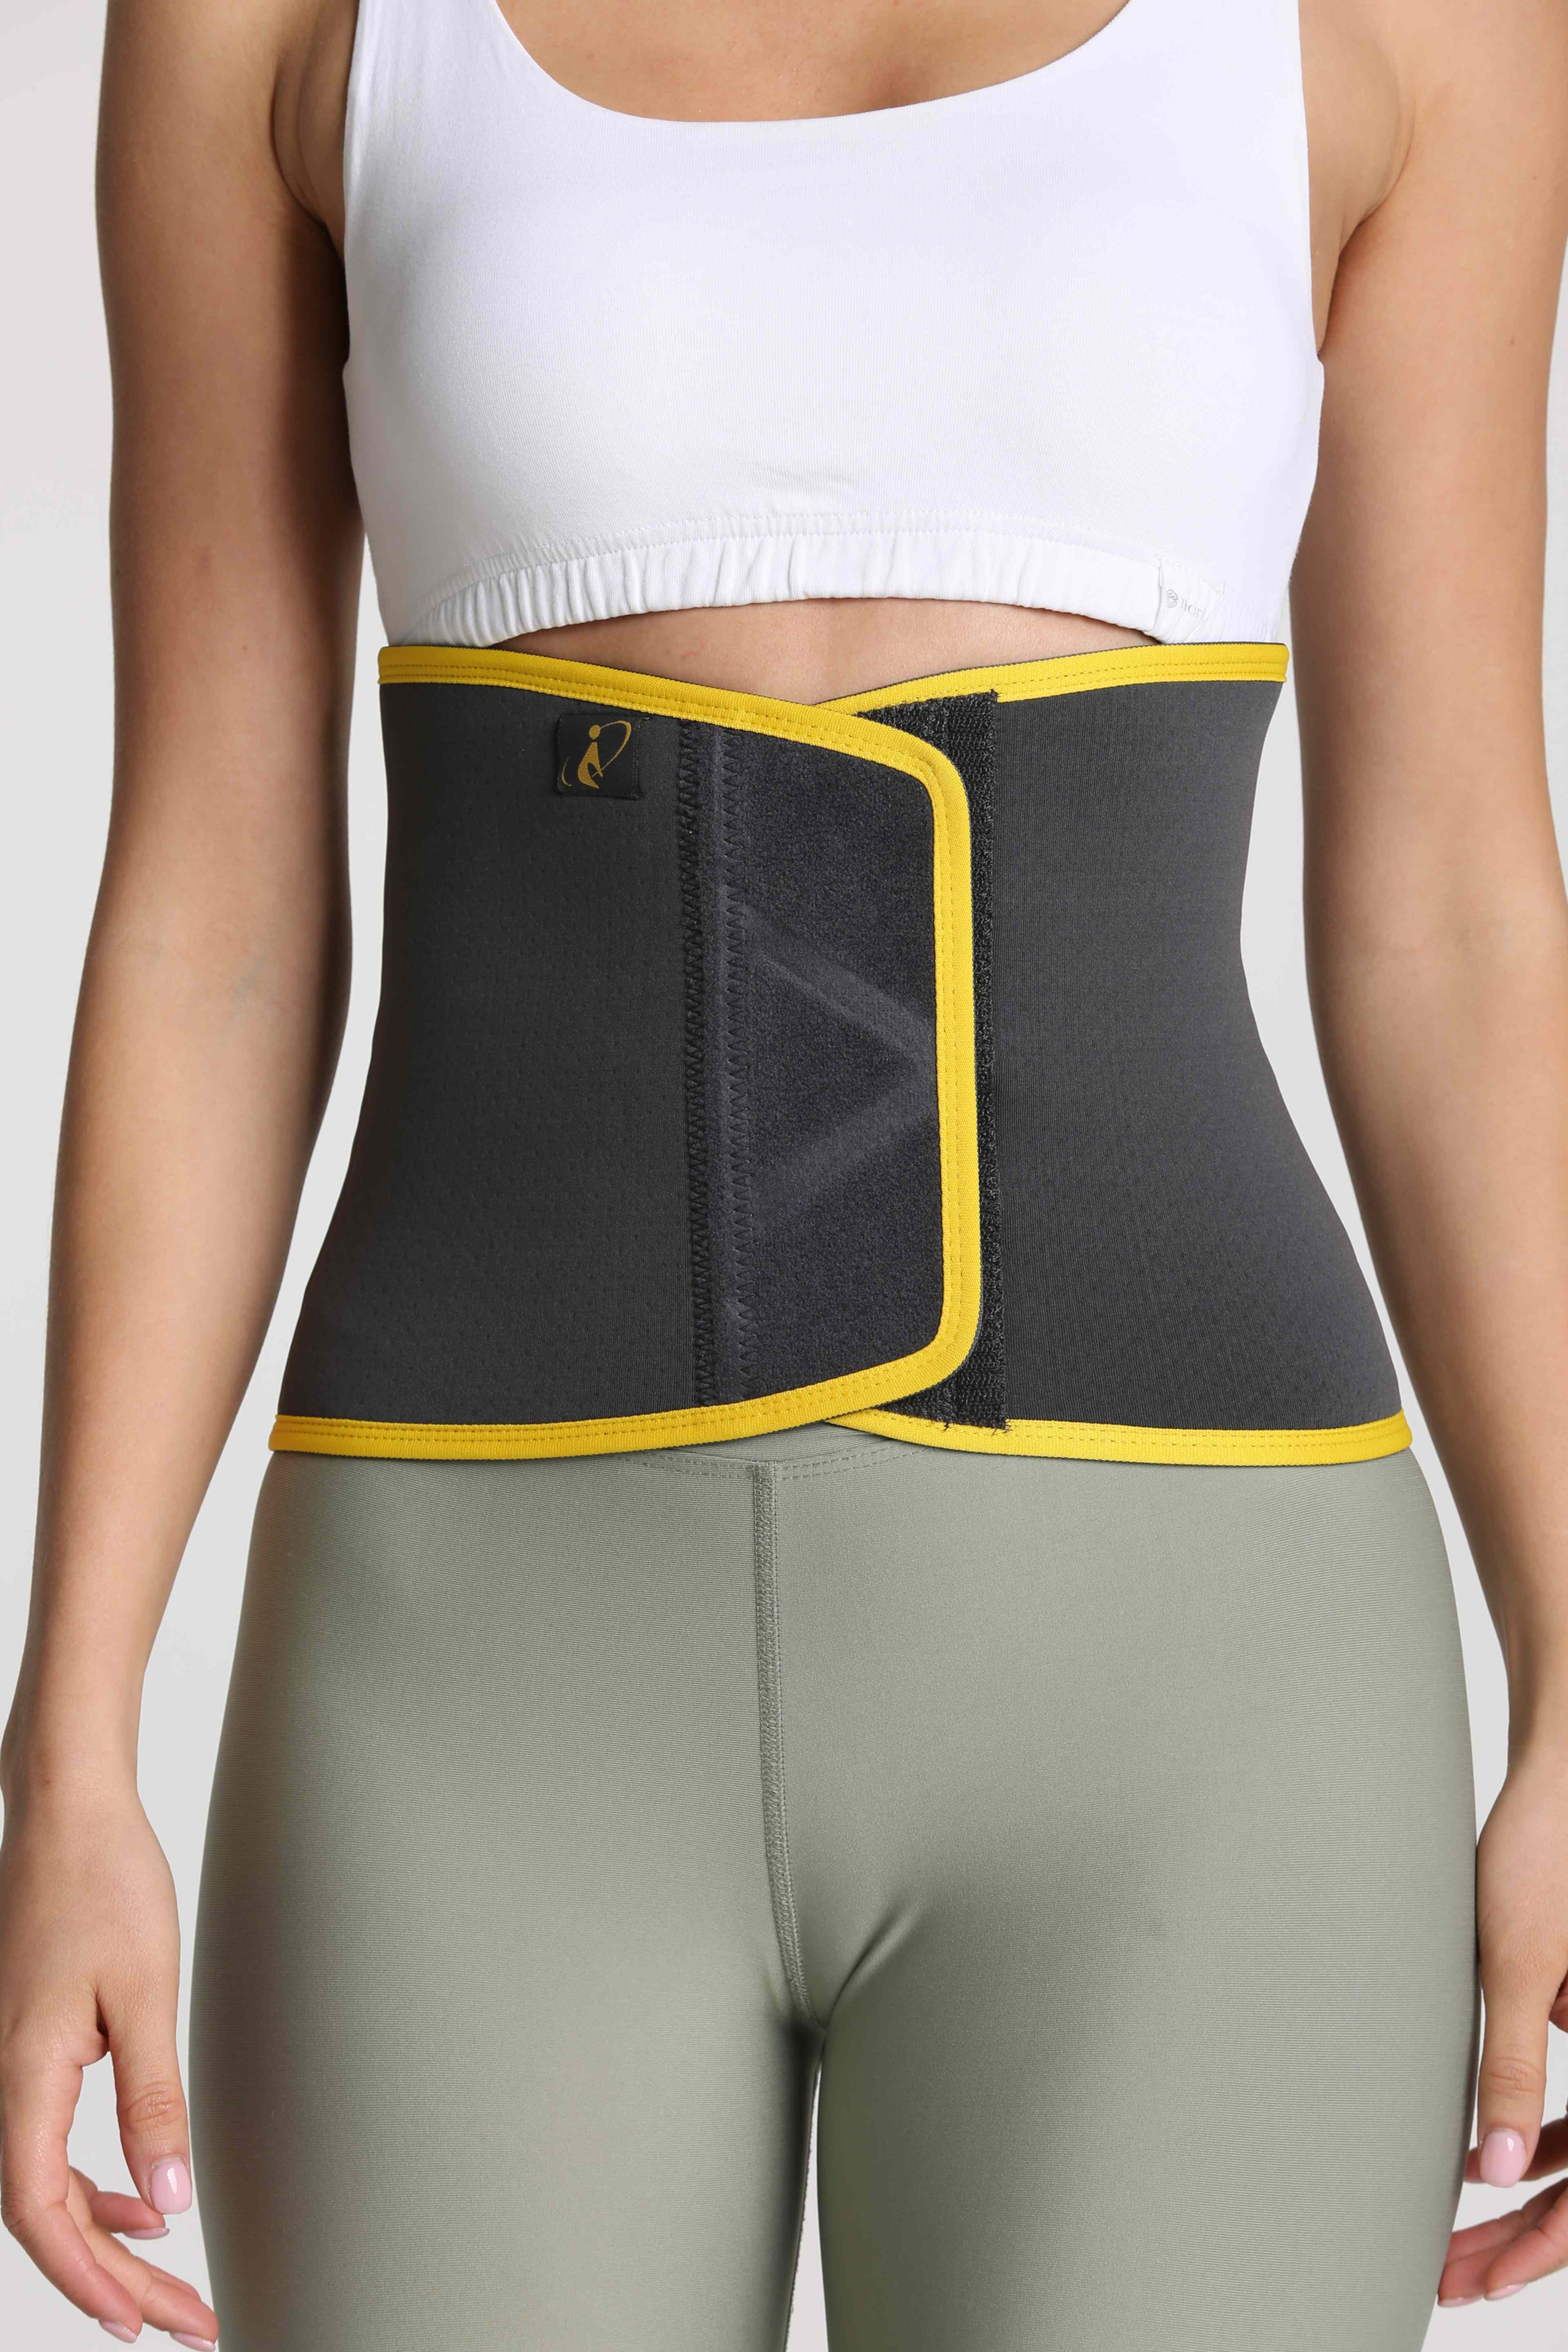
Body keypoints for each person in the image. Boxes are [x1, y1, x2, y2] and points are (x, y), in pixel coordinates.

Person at [3, 0, 1568, 2345]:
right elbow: (213, 912)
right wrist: (69, 1742)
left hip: (1198, 1670)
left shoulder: (1414, 26)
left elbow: (1454, 912)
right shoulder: (274, 25)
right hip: (470, 1660)